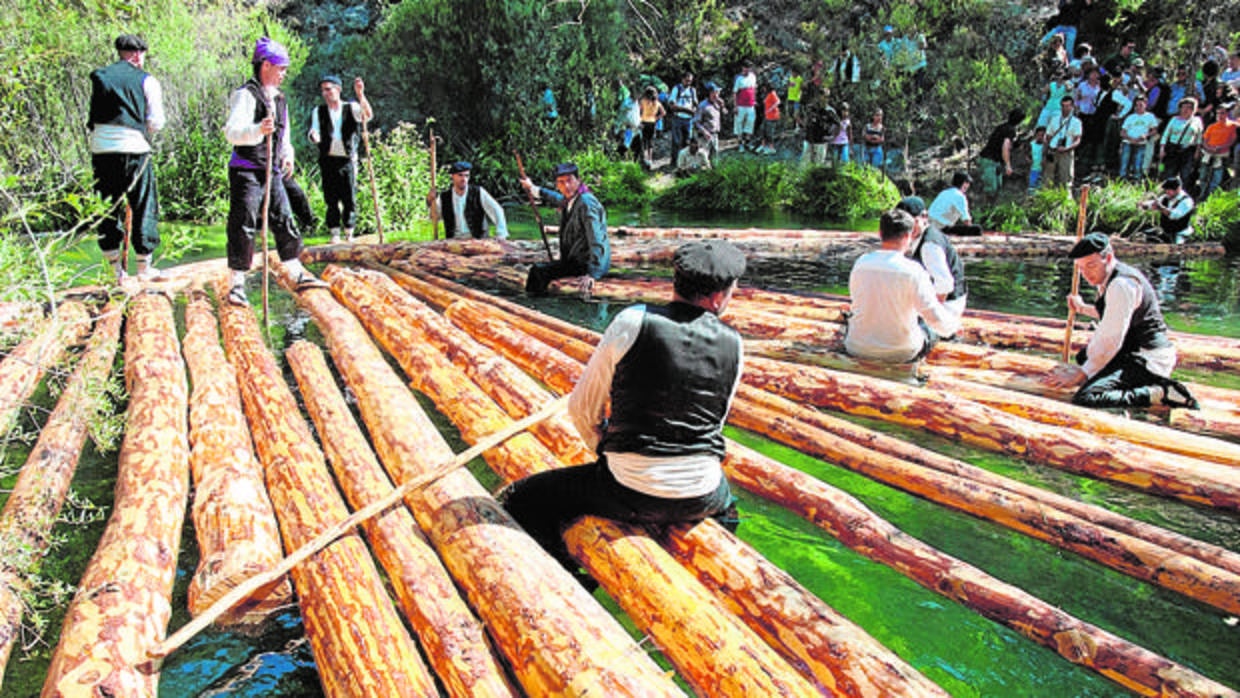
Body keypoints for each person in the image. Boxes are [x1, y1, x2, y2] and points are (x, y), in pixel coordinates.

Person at [500, 239, 747, 588]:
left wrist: (600, 444)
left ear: (675, 281)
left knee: (521, 498)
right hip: (701, 494)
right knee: (729, 507)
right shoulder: (735, 345)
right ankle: (707, 567)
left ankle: (572, 577)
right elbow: (713, 426)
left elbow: (581, 407)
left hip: (627, 489)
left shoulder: (632, 321)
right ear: (719, 297)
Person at [223, 37, 325, 307]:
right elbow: (232, 133)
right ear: (266, 65)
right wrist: (257, 130)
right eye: (281, 68)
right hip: (246, 170)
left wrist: (287, 154)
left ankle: (295, 271)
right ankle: (236, 283)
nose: (283, 74)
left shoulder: (280, 99)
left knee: (283, 217)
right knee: (243, 223)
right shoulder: (245, 95)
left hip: (272, 169)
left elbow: (285, 134)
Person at [1044, 232, 1197, 409]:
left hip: (1147, 357)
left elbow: (1110, 340)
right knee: (1084, 356)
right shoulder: (1110, 278)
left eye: (1091, 266)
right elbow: (1114, 314)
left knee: (1087, 397)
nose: (1086, 274)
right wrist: (1082, 308)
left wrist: (1081, 375)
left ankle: (1160, 393)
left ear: (1108, 258)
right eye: (1081, 268)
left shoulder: (1121, 285)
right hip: (1130, 350)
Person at [87, 34, 166, 282]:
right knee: (144, 203)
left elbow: (93, 118)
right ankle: (144, 268)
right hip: (133, 148)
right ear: (136, 54)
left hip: (101, 149)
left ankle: (115, 273)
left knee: (107, 207)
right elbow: (156, 122)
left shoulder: (100, 76)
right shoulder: (147, 80)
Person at [844, 209, 961, 363]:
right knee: (931, 329)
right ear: (908, 236)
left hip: (856, 346)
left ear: (880, 233)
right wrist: (953, 326)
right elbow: (934, 317)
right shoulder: (913, 271)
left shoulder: (860, 263)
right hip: (901, 352)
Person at [519, 162, 611, 297]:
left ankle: (536, 307)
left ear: (578, 180)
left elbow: (597, 238)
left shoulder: (586, 203)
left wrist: (593, 273)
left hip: (584, 265)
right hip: (574, 261)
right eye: (561, 182)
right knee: (542, 270)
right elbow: (555, 198)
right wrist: (532, 188)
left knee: (537, 271)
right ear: (557, 185)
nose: (566, 186)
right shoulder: (571, 199)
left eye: (569, 180)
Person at [307, 74, 373, 244]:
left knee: (349, 196)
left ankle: (349, 232)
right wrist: (314, 135)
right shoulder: (319, 111)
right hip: (328, 159)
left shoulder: (351, 107)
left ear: (338, 90)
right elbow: (314, 130)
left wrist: (360, 94)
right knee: (331, 198)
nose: (326, 93)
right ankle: (334, 233)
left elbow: (367, 115)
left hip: (347, 158)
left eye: (329, 89)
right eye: (323, 90)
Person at [899, 196, 967, 320]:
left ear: (924, 217)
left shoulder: (929, 246)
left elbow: (945, 286)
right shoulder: (920, 237)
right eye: (903, 224)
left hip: (948, 304)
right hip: (938, 298)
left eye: (911, 222)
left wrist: (928, 315)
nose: (906, 228)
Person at [426, 161, 509, 240]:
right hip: (453, 241)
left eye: (466, 176)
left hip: (478, 240)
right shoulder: (444, 197)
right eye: (460, 175)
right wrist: (430, 202)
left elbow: (497, 210)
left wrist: (501, 234)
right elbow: (434, 217)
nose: (464, 179)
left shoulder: (478, 192)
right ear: (452, 176)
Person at [1159, 97, 1203, 188]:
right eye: (1184, 107)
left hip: (1188, 149)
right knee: (1169, 172)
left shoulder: (1197, 121)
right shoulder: (1174, 119)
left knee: (1185, 173)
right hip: (1173, 148)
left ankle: (1183, 191)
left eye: (1189, 107)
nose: (1186, 110)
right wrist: (1162, 148)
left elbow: (1199, 137)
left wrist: (1197, 151)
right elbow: (1166, 134)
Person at [978, 109, 1023, 196]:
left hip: (995, 161)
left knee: (998, 187)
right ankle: (986, 207)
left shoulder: (1002, 127)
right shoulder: (1009, 130)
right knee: (991, 189)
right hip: (989, 161)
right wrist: (1008, 165)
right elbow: (1005, 148)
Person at [1138, 176, 1195, 243]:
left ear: (1178, 189)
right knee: (1146, 234)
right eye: (1166, 189)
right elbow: (1153, 203)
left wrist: (1161, 208)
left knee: (1177, 246)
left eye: (1169, 190)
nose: (1167, 192)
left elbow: (1175, 215)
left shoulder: (1186, 201)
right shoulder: (1166, 197)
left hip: (1180, 233)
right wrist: (1144, 205)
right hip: (1166, 232)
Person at [927, 172, 982, 237]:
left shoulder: (944, 192)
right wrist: (969, 229)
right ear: (962, 183)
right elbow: (966, 219)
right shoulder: (960, 196)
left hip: (929, 226)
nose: (968, 185)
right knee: (977, 229)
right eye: (967, 182)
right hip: (942, 228)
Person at [1119, 95, 1159, 181]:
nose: (1138, 107)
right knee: (1125, 161)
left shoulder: (1150, 116)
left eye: (1141, 105)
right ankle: (1122, 177)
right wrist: (1130, 138)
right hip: (1128, 142)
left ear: (1145, 105)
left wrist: (1145, 136)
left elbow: (1155, 130)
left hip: (1141, 143)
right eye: (1136, 105)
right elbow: (1122, 132)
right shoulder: (1130, 117)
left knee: (1138, 161)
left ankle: (1137, 178)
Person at [1045, 95, 1083, 186]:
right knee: (1048, 176)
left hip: (1067, 151)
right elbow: (1048, 135)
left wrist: (1068, 148)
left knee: (1066, 176)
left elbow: (1077, 139)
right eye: (1063, 106)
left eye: (1067, 106)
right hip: (1053, 150)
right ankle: (1046, 194)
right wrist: (1049, 147)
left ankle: (1066, 196)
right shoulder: (1054, 119)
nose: (1065, 108)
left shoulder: (1076, 122)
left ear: (1072, 107)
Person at [693, 82, 726, 165]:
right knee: (703, 158)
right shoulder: (702, 106)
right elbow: (696, 122)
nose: (716, 95)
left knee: (715, 158)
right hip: (704, 137)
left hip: (715, 135)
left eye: (717, 93)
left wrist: (722, 106)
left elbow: (725, 113)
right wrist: (704, 132)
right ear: (708, 94)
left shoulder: (717, 104)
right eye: (714, 93)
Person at [668, 72, 698, 161]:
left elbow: (695, 103)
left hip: (689, 119)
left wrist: (694, 109)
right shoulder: (676, 89)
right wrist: (687, 110)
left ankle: (685, 161)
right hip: (678, 118)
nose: (688, 83)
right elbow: (672, 105)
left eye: (690, 81)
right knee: (676, 141)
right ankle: (675, 160)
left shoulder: (692, 90)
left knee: (687, 141)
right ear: (682, 79)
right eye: (687, 80)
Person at [732, 62, 758, 152]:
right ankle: (740, 143)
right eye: (745, 68)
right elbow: (735, 92)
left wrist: (754, 100)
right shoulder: (739, 79)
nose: (746, 70)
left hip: (750, 105)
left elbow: (754, 89)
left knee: (750, 123)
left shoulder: (753, 77)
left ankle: (747, 142)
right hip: (741, 105)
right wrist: (735, 106)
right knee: (739, 124)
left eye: (748, 68)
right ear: (742, 68)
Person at [637, 85, 665, 167]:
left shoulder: (643, 101)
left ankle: (645, 159)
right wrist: (656, 118)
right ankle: (650, 159)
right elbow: (663, 113)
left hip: (644, 122)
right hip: (652, 123)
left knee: (644, 141)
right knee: (650, 141)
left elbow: (639, 111)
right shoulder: (657, 103)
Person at [758, 83, 781, 154]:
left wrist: (771, 108)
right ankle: (763, 145)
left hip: (772, 116)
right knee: (762, 130)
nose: (763, 89)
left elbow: (778, 101)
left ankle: (771, 148)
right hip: (767, 116)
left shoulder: (772, 93)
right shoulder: (767, 94)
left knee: (769, 132)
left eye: (764, 87)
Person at [1028, 125, 1047, 193]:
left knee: (1040, 187)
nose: (1040, 137)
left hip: (1042, 170)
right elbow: (1026, 155)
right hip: (1033, 169)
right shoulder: (1031, 144)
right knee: (1031, 187)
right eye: (1038, 135)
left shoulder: (1046, 146)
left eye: (1042, 135)